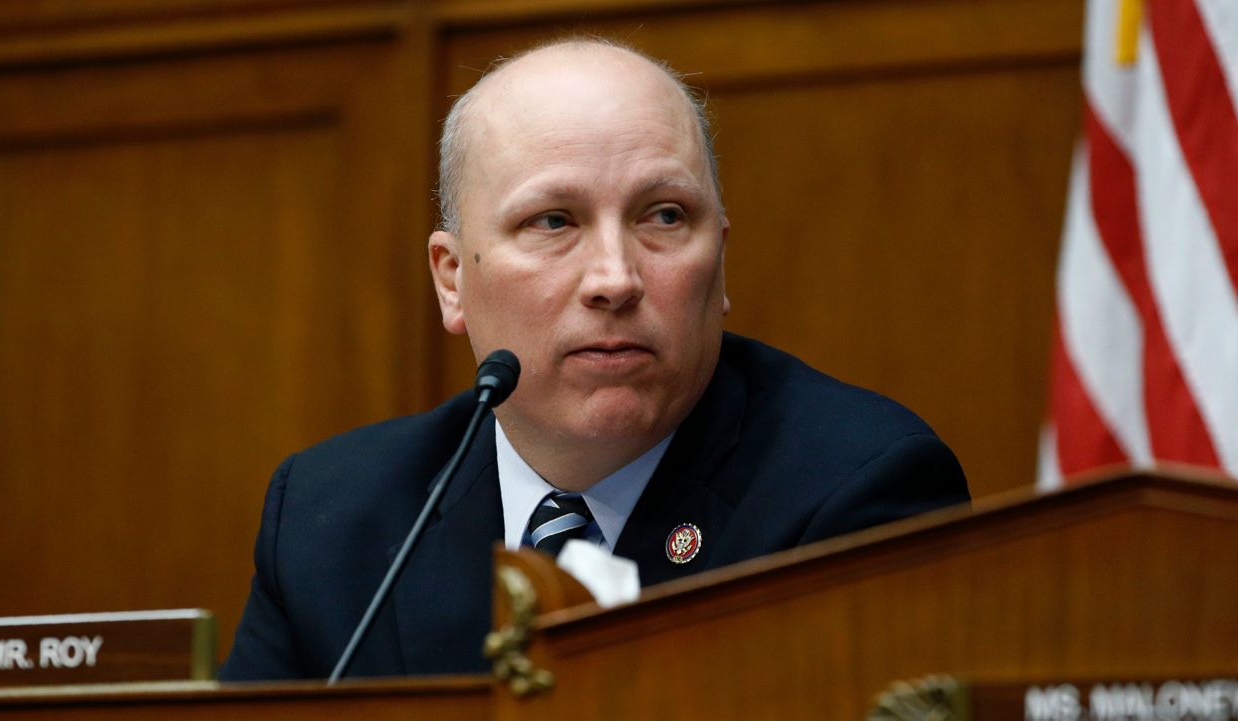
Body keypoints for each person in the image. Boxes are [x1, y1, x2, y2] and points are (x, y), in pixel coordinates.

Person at [219, 37, 969, 681]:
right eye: (554, 221)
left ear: (721, 260)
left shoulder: (855, 497)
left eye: (664, 215)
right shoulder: (332, 520)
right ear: (453, 279)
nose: (615, 277)